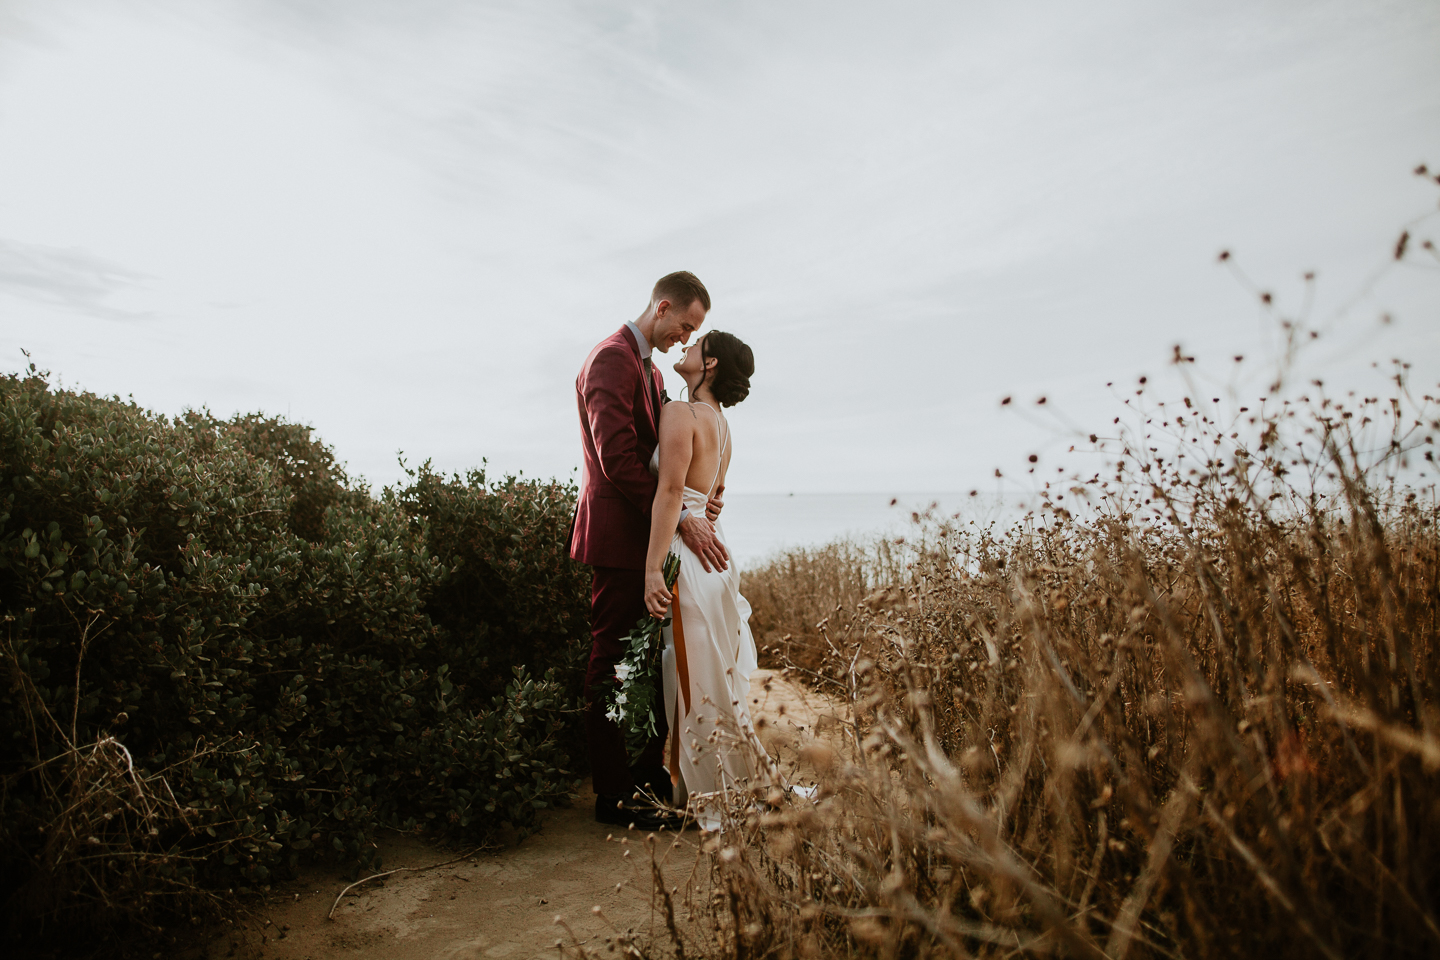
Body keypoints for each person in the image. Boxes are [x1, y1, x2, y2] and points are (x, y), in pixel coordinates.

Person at [569, 271, 727, 831]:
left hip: (649, 538)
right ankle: (612, 795)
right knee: (611, 660)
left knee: (647, 663)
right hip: (616, 534)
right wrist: (683, 517)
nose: (684, 339)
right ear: (662, 307)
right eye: (684, 325)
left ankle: (647, 779)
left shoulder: (652, 370)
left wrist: (698, 498)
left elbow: (670, 459)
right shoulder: (611, 359)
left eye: (694, 333)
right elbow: (616, 458)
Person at [642, 330, 772, 827]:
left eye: (695, 348)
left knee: (693, 681)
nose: (685, 348)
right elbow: (712, 496)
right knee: (714, 678)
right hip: (717, 558)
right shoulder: (723, 425)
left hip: (690, 560)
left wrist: (653, 568)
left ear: (709, 363)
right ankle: (720, 784)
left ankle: (707, 796)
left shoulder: (682, 412)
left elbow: (671, 491)